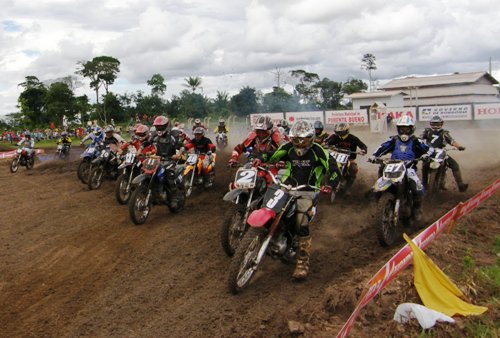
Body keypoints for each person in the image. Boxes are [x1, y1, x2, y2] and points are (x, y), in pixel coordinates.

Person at [268, 120, 340, 281]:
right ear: (291, 139)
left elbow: (334, 170)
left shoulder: (319, 151)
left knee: (301, 222)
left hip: (308, 191)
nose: (300, 144)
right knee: (268, 206)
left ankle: (302, 262)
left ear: (311, 138)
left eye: (303, 140)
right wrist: (261, 158)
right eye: (296, 140)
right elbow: (271, 155)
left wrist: (330, 185)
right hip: (286, 186)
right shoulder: (287, 148)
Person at [369, 116, 432, 221]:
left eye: (406, 129)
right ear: (398, 129)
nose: (404, 131)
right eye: (401, 128)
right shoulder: (393, 139)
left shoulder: (416, 141)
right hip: (393, 166)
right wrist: (374, 156)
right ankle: (380, 206)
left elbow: (429, 149)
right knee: (378, 183)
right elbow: (382, 147)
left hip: (409, 168)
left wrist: (426, 155)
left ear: (412, 129)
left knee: (418, 187)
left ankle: (417, 209)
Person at [140, 116, 185, 210]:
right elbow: (146, 143)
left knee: (169, 176)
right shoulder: (154, 135)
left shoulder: (173, 135)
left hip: (170, 160)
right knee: (145, 169)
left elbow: (181, 146)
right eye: (157, 127)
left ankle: (174, 198)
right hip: (158, 159)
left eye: (160, 127)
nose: (159, 129)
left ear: (166, 126)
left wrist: (178, 154)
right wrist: (140, 150)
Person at [419, 115, 468, 192]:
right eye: (434, 124)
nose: (435, 126)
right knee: (424, 164)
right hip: (429, 152)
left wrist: (459, 146)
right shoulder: (427, 131)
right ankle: (424, 183)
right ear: (430, 124)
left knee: (454, 165)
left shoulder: (443, 133)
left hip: (440, 152)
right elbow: (420, 139)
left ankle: (460, 184)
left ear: (441, 124)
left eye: (437, 124)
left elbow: (452, 141)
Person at [325, 123, 368, 194]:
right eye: (338, 132)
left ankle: (348, 188)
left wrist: (363, 150)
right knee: (327, 166)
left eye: (341, 132)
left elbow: (363, 146)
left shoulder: (353, 138)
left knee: (353, 169)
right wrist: (326, 145)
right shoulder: (335, 137)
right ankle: (326, 184)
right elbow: (327, 142)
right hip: (336, 156)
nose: (339, 134)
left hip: (350, 158)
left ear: (346, 131)